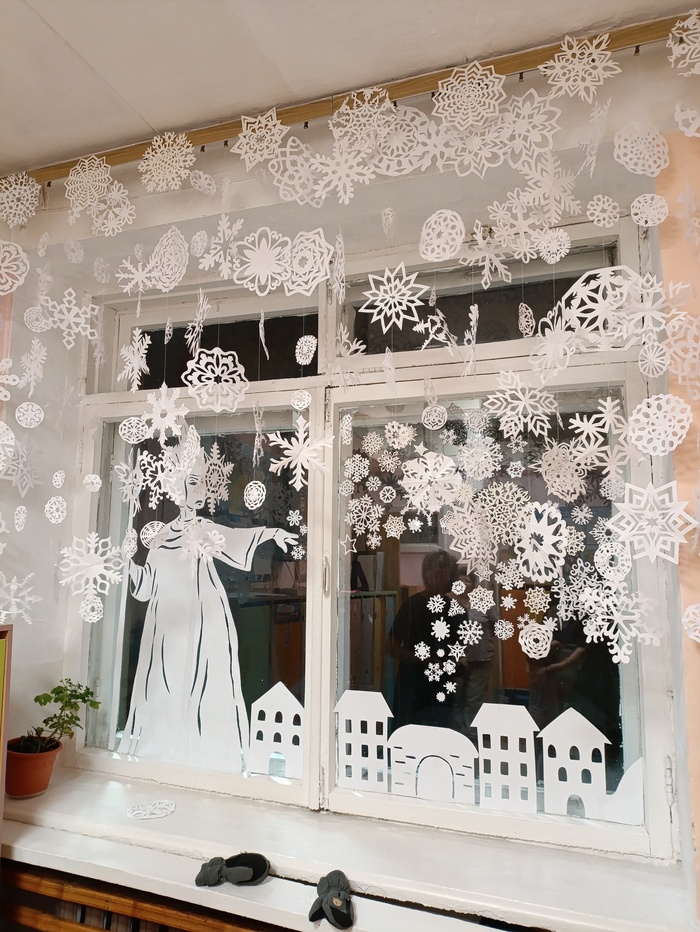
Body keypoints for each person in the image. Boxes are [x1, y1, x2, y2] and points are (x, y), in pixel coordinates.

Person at [118, 428, 297, 773]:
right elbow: (145, 588)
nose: (199, 490)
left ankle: (207, 757)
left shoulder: (202, 529)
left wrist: (272, 532)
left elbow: (233, 539)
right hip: (167, 630)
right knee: (166, 685)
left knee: (204, 686)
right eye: (192, 482)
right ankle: (167, 754)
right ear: (176, 487)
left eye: (201, 483)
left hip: (203, 623)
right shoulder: (161, 538)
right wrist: (126, 563)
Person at [387, 549, 457, 730]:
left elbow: (462, 651)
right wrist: (422, 659)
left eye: (444, 569)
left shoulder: (454, 609)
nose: (438, 574)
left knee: (441, 735)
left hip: (442, 684)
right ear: (426, 574)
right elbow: (391, 646)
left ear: (450, 575)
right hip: (413, 682)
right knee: (408, 734)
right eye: (434, 569)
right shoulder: (411, 605)